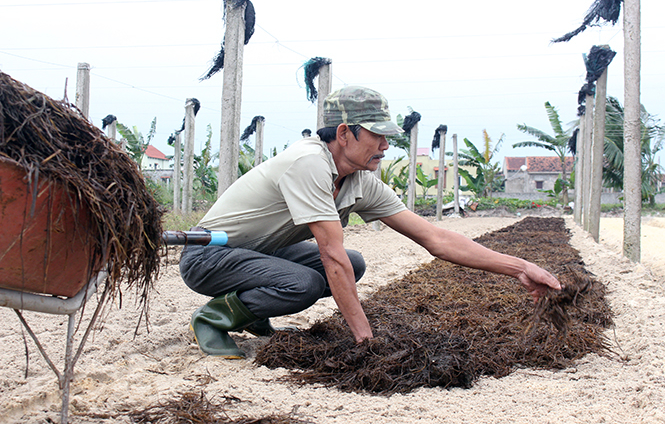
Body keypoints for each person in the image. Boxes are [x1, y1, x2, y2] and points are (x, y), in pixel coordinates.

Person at [179, 86, 561, 359]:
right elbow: (330, 255)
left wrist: (520, 268)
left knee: (355, 261)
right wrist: (365, 340)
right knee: (308, 281)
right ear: (344, 134)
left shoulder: (360, 181)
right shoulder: (309, 163)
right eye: (377, 135)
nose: (385, 145)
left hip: (259, 254)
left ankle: (255, 315)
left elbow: (435, 238)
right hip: (209, 256)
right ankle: (213, 318)